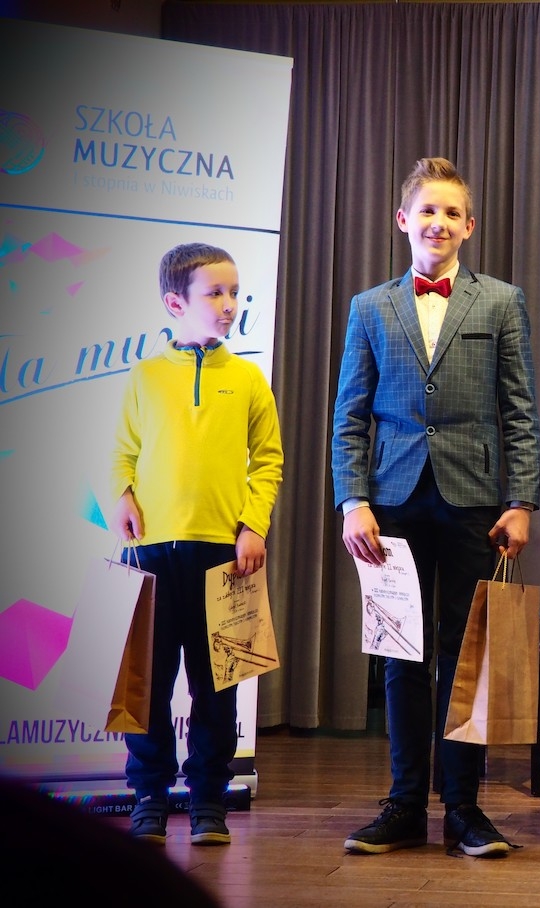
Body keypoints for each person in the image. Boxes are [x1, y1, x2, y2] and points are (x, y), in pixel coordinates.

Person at [332, 157, 540, 858]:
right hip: (391, 503)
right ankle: (402, 806)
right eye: (427, 210)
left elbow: (520, 410)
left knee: (465, 654)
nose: (439, 223)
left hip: (473, 501)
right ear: (403, 219)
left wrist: (521, 499)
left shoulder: (501, 301)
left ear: (469, 226)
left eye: (452, 213)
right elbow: (349, 416)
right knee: (400, 656)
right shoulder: (369, 307)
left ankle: (464, 810)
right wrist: (353, 500)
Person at [110, 242, 284, 846]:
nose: (229, 303)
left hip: (224, 555)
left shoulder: (248, 379)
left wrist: (253, 525)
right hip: (151, 553)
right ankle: (150, 797)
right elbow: (123, 451)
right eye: (215, 292)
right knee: (146, 683)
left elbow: (268, 461)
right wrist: (121, 494)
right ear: (174, 303)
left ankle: (209, 799)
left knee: (218, 687)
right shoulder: (145, 376)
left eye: (235, 292)